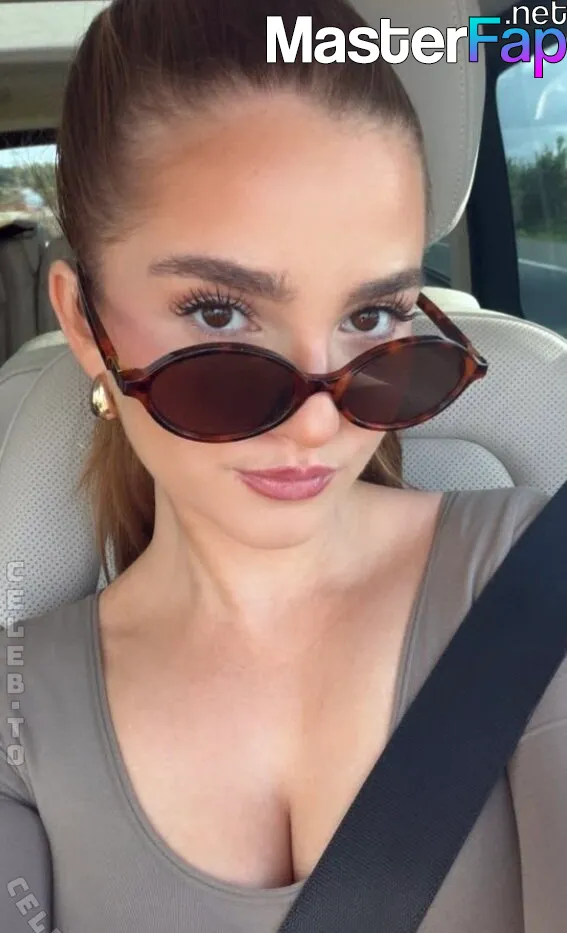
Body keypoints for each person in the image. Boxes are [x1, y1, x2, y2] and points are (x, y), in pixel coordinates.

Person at [0, 1, 564, 931]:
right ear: (81, 322)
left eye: (371, 317)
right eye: (219, 314)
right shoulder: (19, 710)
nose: (316, 422)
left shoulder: (542, 579)